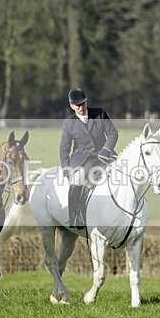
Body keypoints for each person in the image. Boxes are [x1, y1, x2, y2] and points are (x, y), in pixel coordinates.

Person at [59, 87, 119, 228]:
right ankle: (74, 217)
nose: (82, 107)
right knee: (78, 179)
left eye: (83, 103)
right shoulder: (68, 123)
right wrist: (67, 170)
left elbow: (113, 134)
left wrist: (106, 149)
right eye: (78, 105)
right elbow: (64, 149)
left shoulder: (99, 113)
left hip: (105, 155)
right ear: (72, 106)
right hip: (82, 159)